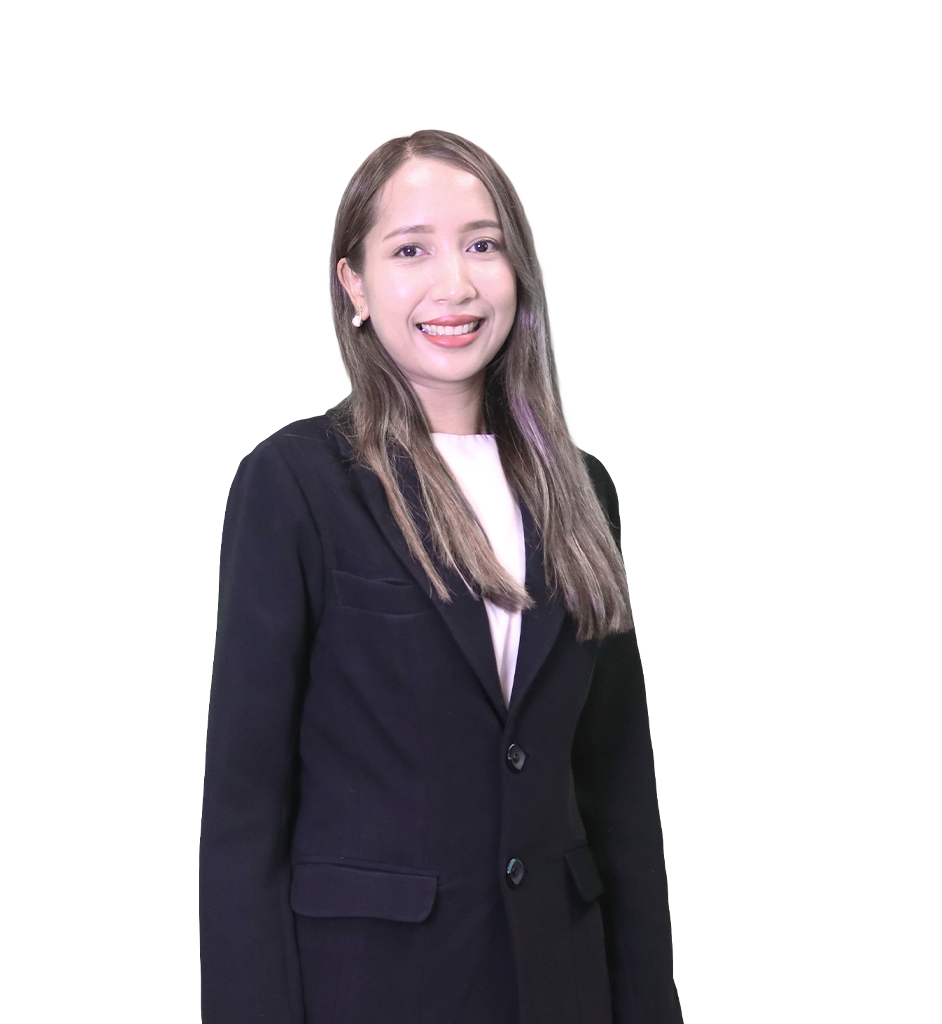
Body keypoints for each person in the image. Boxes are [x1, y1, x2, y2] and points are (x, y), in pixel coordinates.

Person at [200, 129, 682, 1024]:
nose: (454, 284)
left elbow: (616, 788)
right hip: (373, 986)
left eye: (482, 244)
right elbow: (243, 806)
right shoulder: (296, 482)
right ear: (354, 285)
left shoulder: (583, 490)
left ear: (518, 271)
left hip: (561, 984)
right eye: (410, 250)